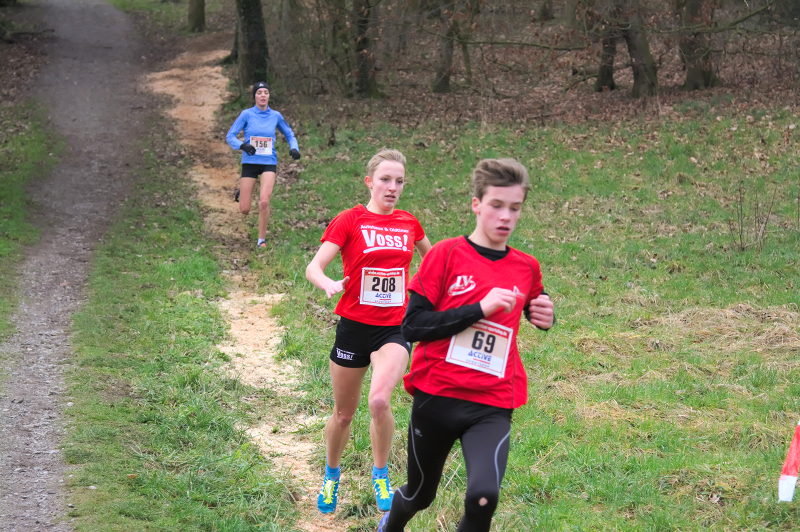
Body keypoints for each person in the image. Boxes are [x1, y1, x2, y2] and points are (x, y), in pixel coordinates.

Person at [378, 158, 555, 532]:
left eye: (515, 208)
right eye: (496, 205)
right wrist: (478, 309)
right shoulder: (445, 254)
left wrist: (545, 315)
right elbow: (412, 326)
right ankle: (392, 521)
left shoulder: (527, 267)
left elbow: (535, 304)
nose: (505, 216)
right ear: (476, 204)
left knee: (483, 498)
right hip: (437, 397)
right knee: (421, 494)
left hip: (491, 401)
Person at [305, 148, 432, 515]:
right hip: (353, 328)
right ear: (369, 182)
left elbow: (435, 258)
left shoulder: (409, 222)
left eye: (399, 181)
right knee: (344, 414)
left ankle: (381, 475)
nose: (392, 187)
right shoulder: (350, 220)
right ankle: (331, 475)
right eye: (386, 180)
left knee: (379, 400)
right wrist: (327, 282)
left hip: (394, 328)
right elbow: (314, 266)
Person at [225, 81, 300, 248]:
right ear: (255, 97)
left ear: (269, 96)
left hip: (268, 162)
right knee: (244, 209)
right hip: (250, 162)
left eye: (266, 92)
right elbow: (230, 136)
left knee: (264, 201)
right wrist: (243, 145)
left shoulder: (276, 116)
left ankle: (261, 240)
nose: (263, 95)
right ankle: (243, 191)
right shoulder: (246, 114)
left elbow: (289, 134)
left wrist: (294, 148)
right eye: (259, 93)